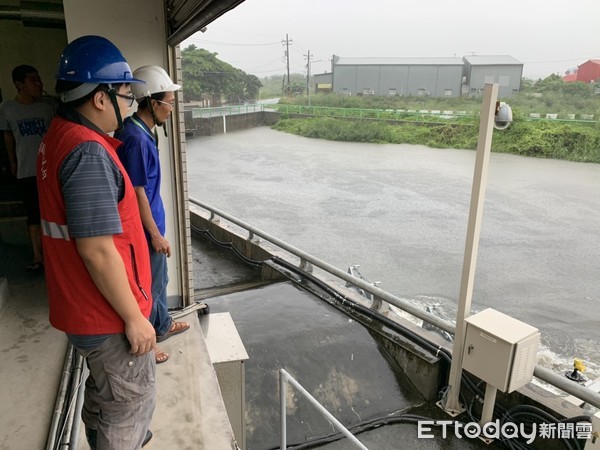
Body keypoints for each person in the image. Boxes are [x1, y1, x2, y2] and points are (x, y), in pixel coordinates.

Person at [37, 35, 156, 449]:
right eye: (126, 95)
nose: (131, 105)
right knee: (130, 403)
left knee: (108, 396)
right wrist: (135, 318)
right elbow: (97, 249)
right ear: (100, 98)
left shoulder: (58, 136)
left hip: (82, 306)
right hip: (104, 315)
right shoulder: (87, 152)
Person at [116, 65, 189, 365]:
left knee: (159, 280)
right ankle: (150, 341)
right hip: (145, 230)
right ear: (152, 101)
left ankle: (162, 325)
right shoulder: (135, 138)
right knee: (147, 285)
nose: (171, 109)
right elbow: (136, 191)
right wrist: (155, 234)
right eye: (169, 103)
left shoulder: (143, 132)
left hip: (151, 224)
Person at [0, 64, 56, 271]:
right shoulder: (7, 108)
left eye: (39, 78)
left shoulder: (47, 107)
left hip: (48, 170)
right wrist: (13, 162)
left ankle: (52, 254)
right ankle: (37, 255)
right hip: (26, 170)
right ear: (19, 84)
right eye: (33, 79)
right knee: (33, 214)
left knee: (51, 213)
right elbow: (8, 137)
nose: (39, 83)